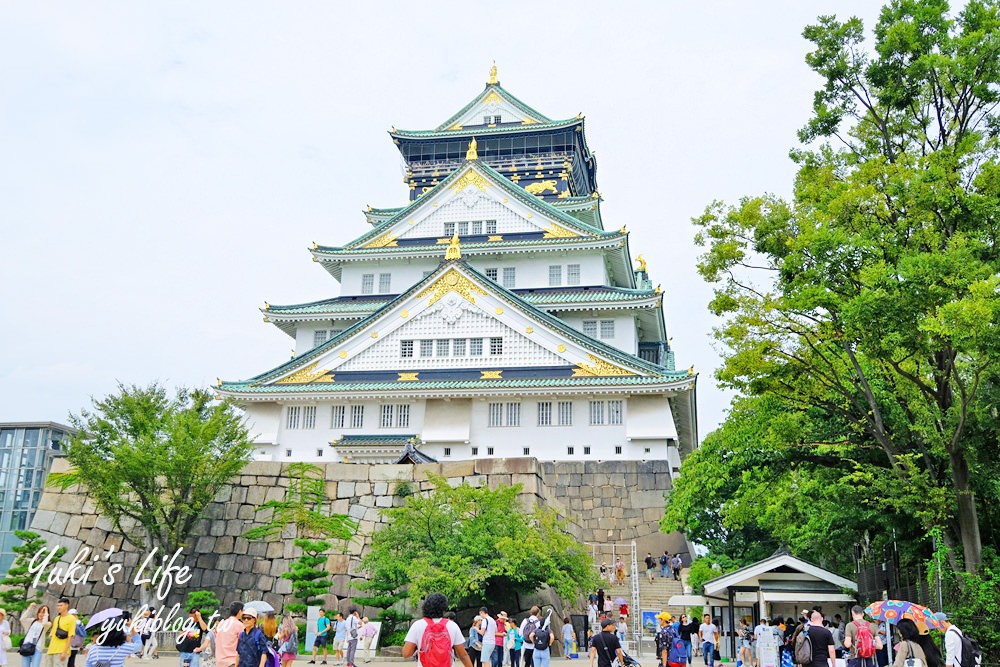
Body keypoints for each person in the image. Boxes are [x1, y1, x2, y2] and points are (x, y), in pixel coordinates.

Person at [400, 593, 473, 667]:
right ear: (444, 608)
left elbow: (406, 653)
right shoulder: (452, 625)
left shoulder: (417, 625)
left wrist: (420, 647)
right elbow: (463, 655)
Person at [46, 599, 77, 667]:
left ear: (66, 606)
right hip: (51, 650)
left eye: (61, 605)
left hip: (61, 650)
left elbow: (70, 636)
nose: (58, 607)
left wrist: (65, 652)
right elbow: (52, 634)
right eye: (58, 606)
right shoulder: (57, 618)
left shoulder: (71, 618)